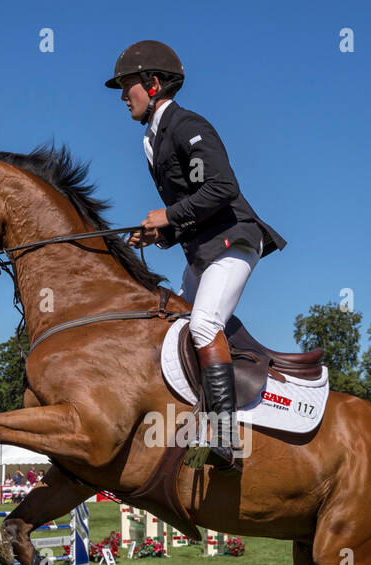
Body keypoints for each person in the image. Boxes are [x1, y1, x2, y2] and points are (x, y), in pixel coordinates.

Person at [107, 40, 285, 472]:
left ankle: (225, 438)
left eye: (126, 85)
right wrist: (159, 234)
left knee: (203, 324)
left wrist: (166, 216)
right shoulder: (153, 140)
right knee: (175, 324)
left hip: (235, 241)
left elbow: (222, 188)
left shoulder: (186, 124)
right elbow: (195, 207)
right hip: (203, 249)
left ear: (152, 84)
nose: (121, 95)